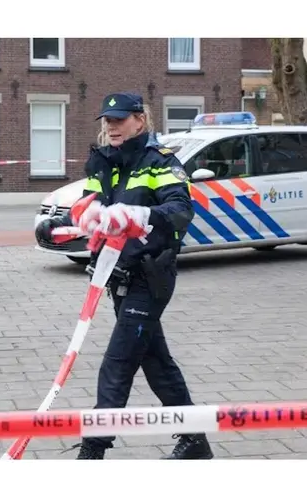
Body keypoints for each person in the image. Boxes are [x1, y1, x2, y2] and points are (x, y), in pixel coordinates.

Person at [35, 92, 213, 460]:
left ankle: (94, 449)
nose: (111, 126)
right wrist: (58, 225)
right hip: (116, 276)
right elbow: (89, 211)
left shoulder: (158, 162)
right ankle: (195, 441)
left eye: (119, 119)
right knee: (156, 361)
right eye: (107, 120)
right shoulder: (103, 163)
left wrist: (136, 217)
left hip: (150, 276)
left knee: (117, 364)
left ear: (139, 121)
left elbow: (180, 210)